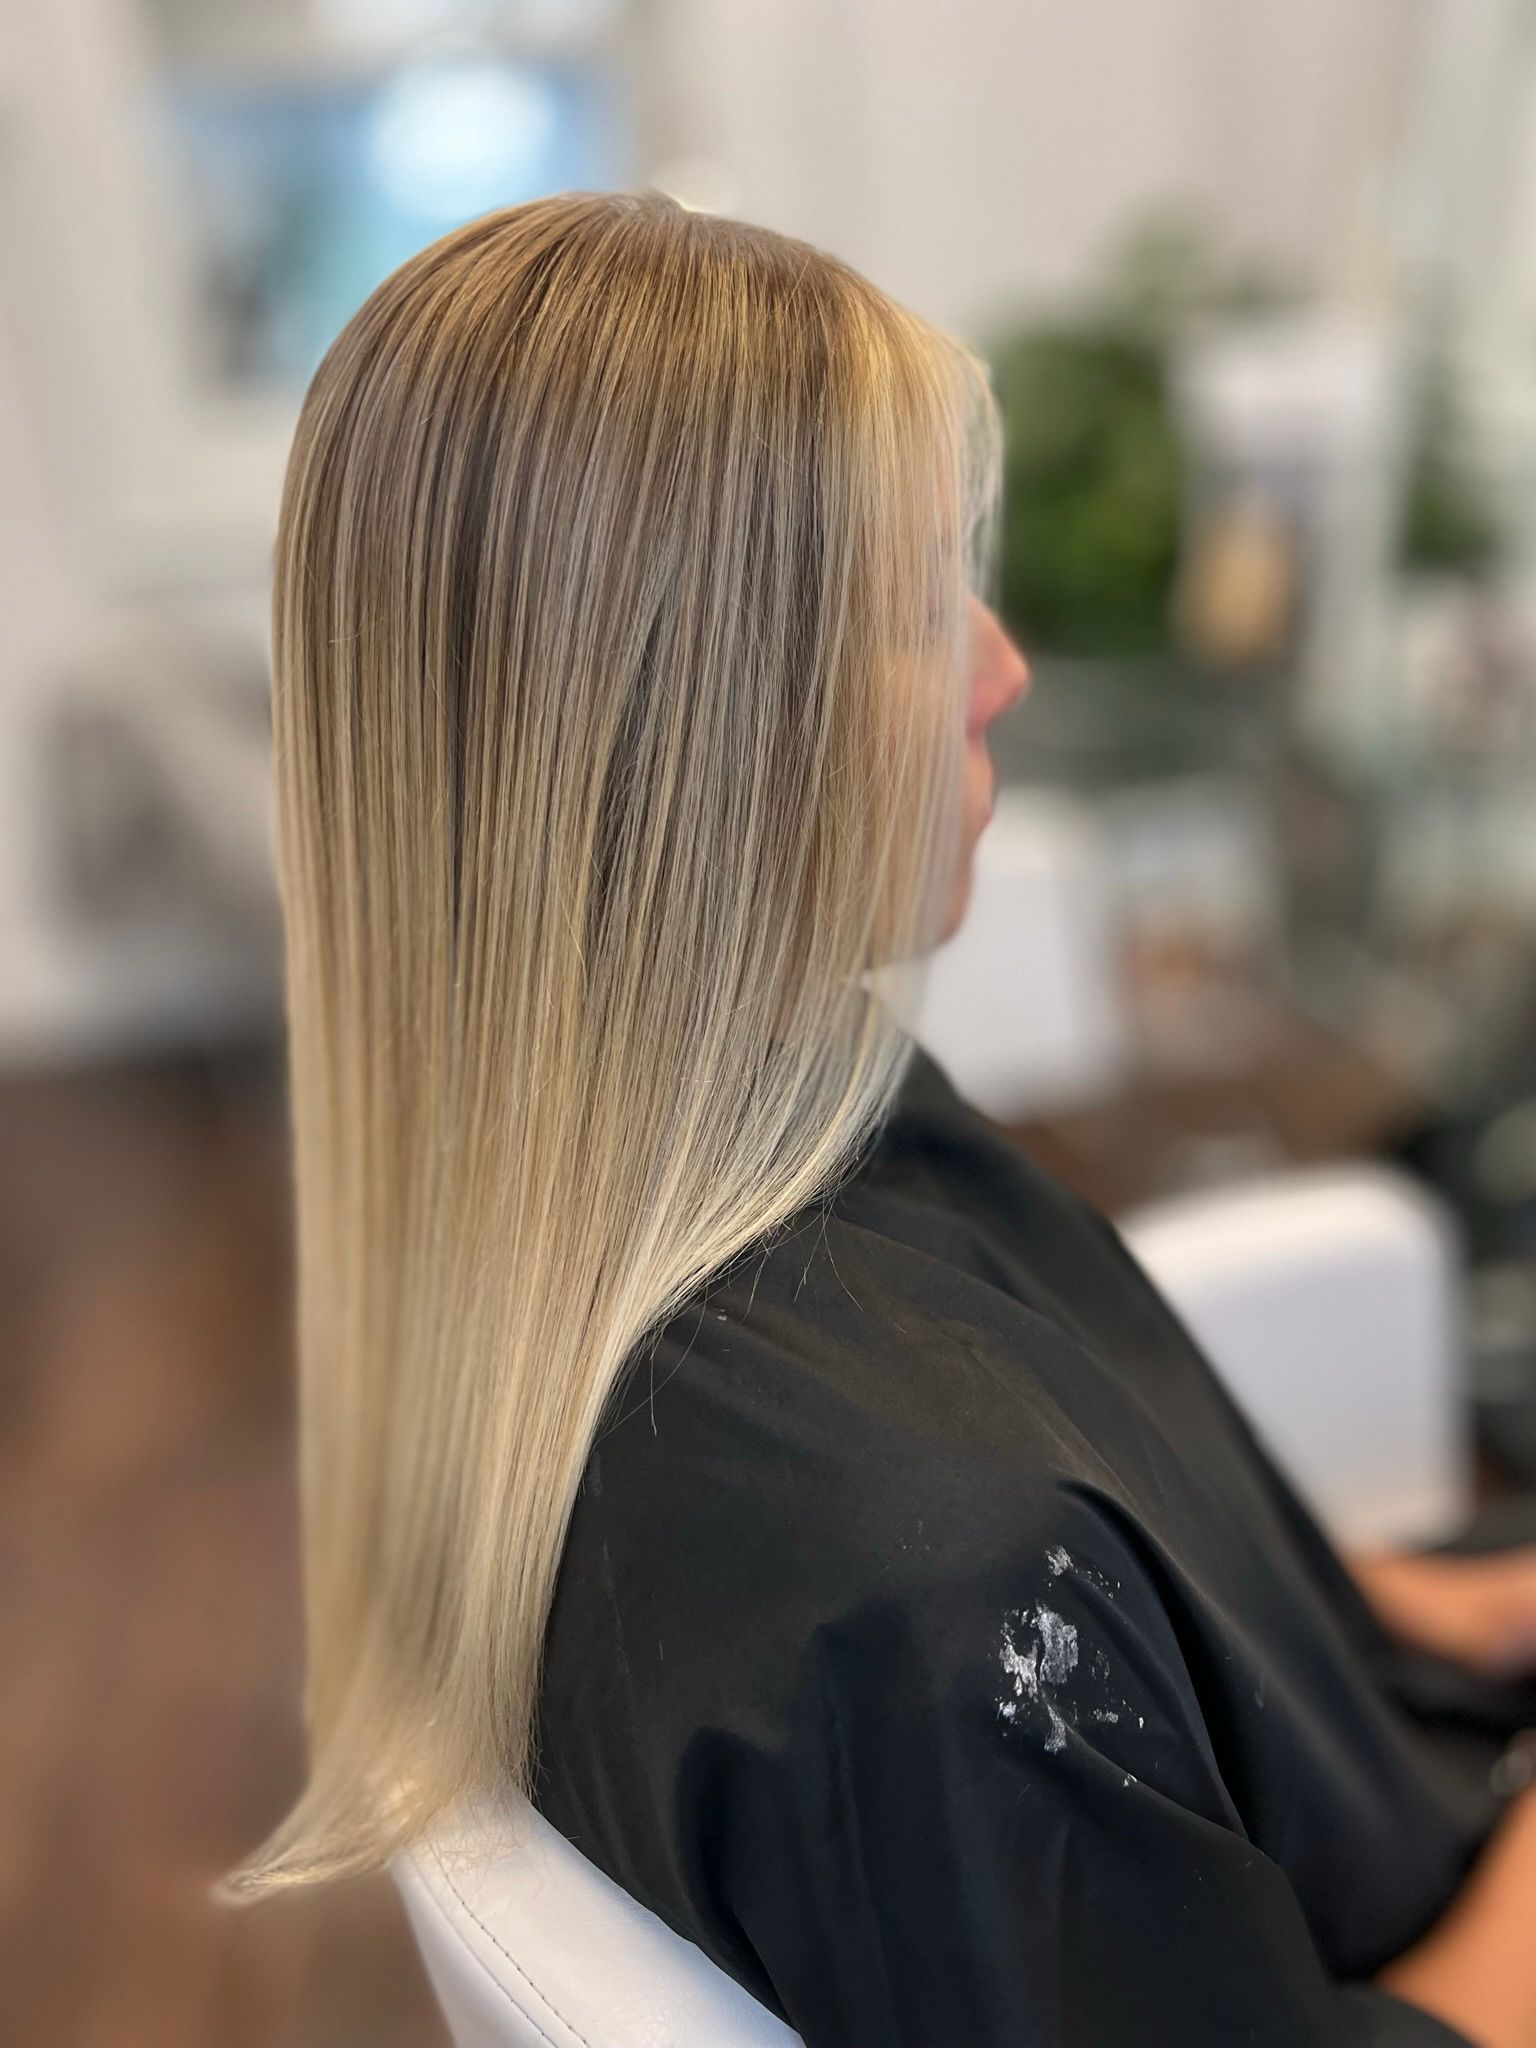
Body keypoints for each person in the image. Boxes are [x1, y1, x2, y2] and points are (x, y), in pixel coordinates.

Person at [225, 188, 1536, 2047]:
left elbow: (1163, 1588)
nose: (1004, 670)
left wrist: (1433, 1621)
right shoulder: (938, 1596)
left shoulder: (702, 1150)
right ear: (697, 727)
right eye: (929, 604)